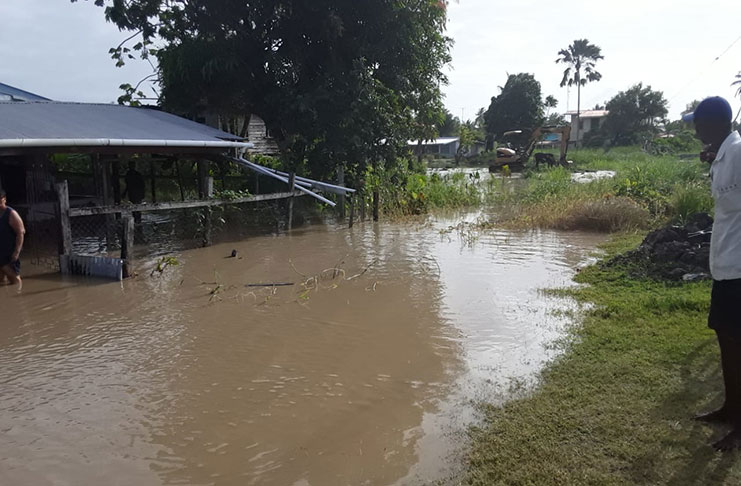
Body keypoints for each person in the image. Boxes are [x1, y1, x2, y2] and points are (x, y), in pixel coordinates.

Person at [684, 96, 741, 450]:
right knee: (726, 339)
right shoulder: (723, 153)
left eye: (698, 124)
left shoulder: (737, 152)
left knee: (738, 343)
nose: (694, 130)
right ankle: (731, 408)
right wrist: (710, 157)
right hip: (726, 264)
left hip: (739, 268)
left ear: (714, 124)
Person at [0, 189, 25, 289]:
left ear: (4, 199)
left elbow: (21, 233)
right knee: (1, 278)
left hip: (9, 252)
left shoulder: (11, 214)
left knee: (14, 278)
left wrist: (16, 252)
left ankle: (18, 295)